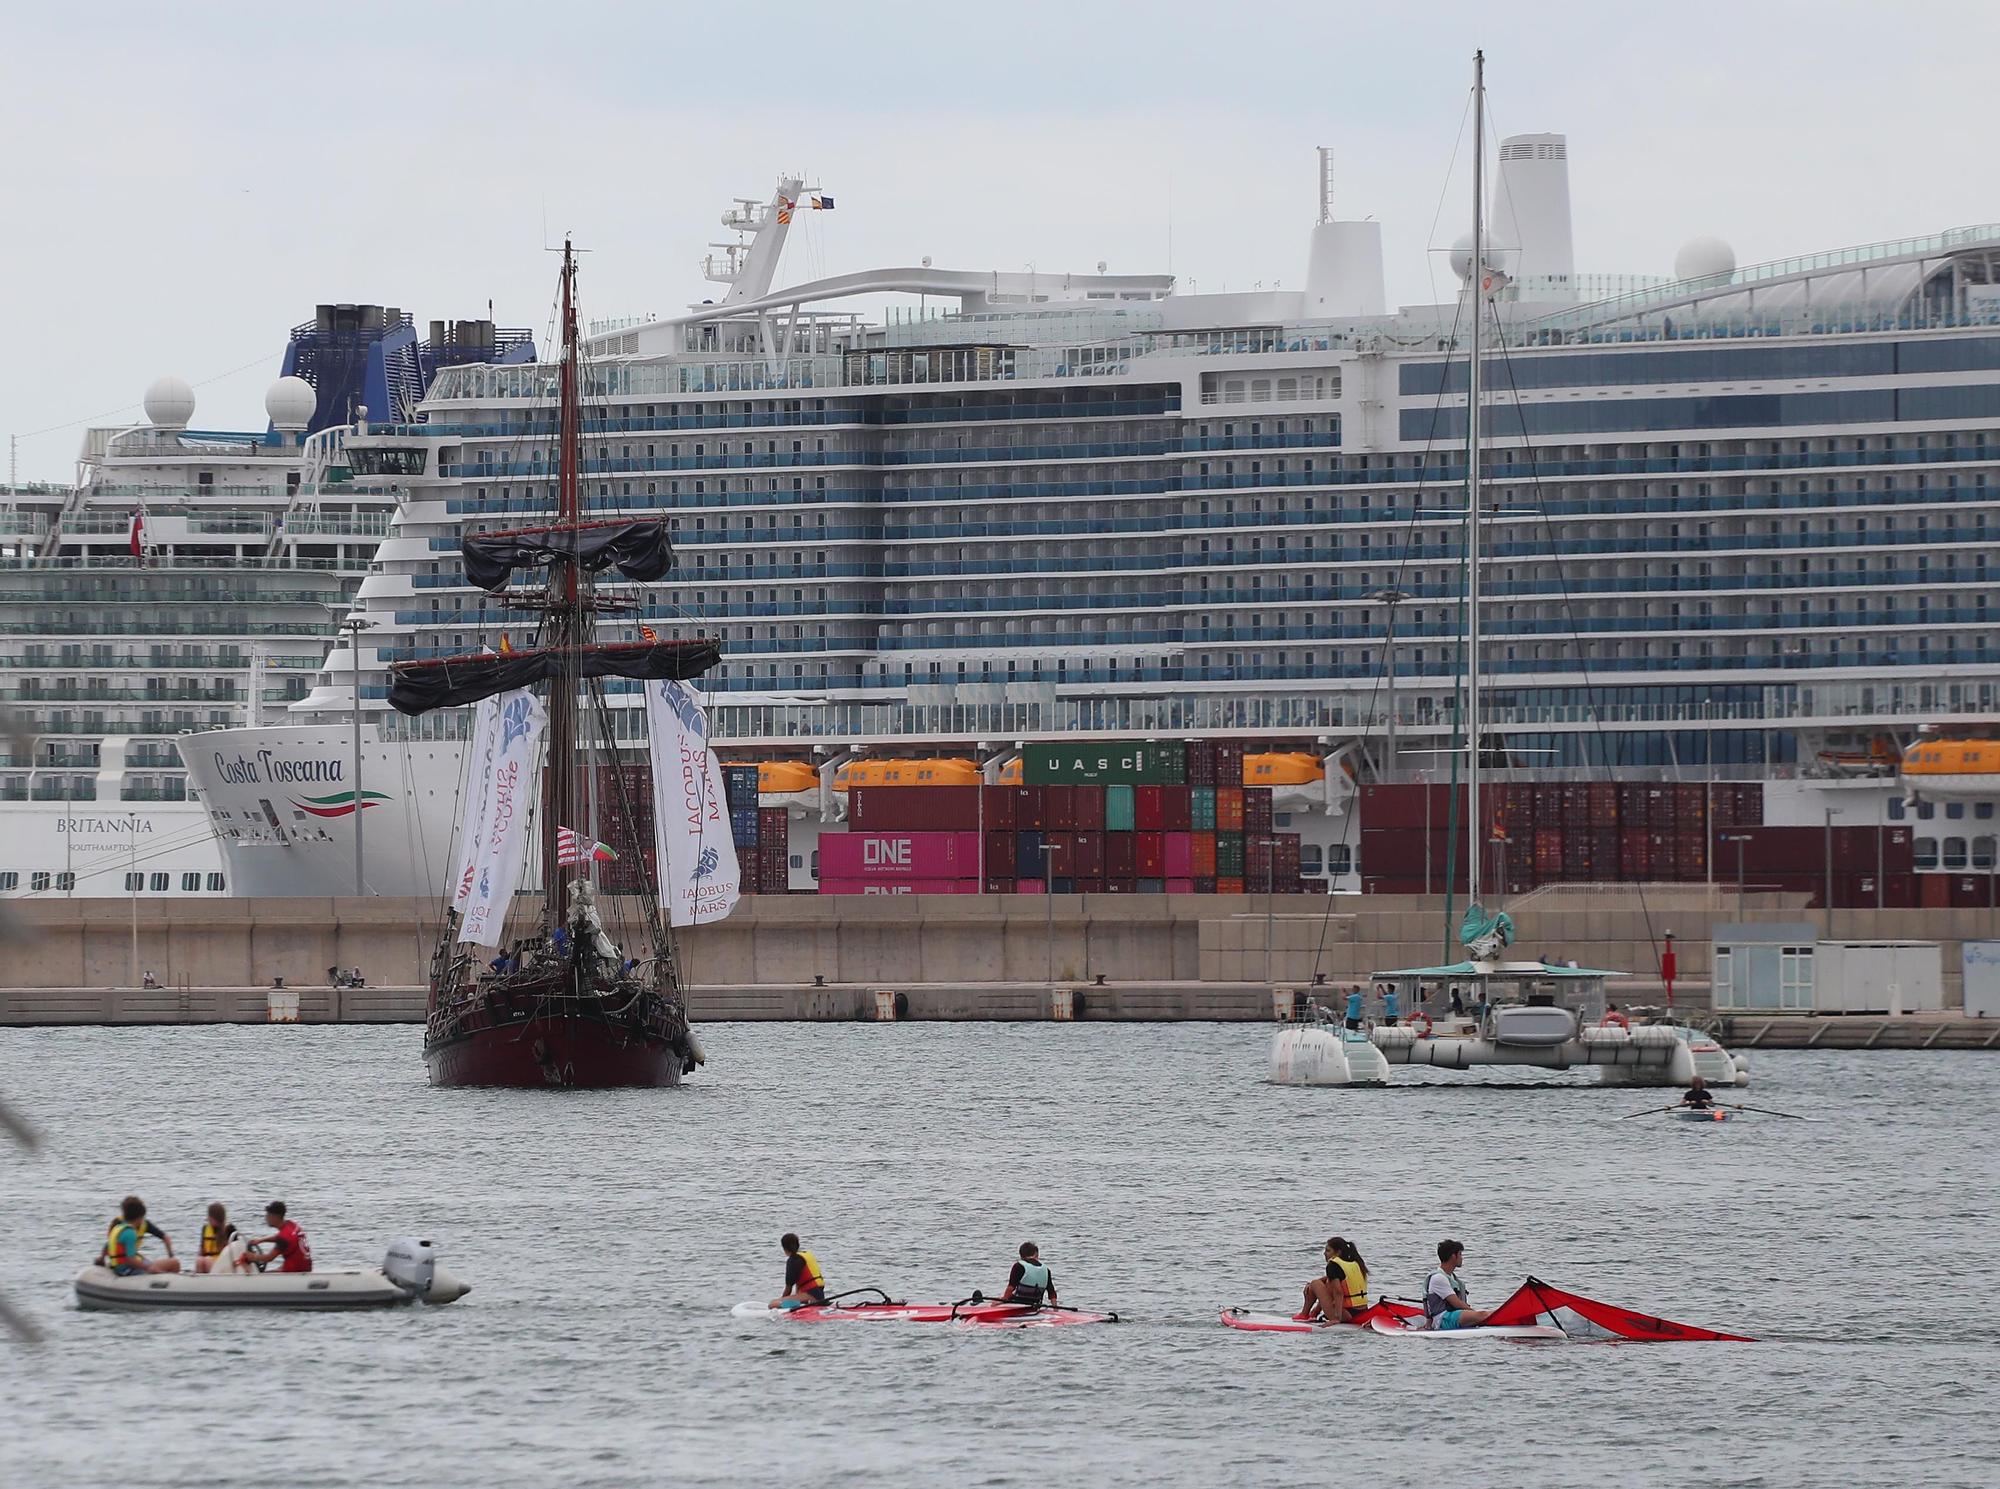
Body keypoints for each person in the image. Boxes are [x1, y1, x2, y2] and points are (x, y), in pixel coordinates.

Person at [100, 1196, 180, 1275]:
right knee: (175, 1263)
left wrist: (102, 1258)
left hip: (117, 1266)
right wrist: (148, 1268)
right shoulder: (130, 1233)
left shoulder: (117, 1227)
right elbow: (130, 1259)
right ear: (140, 1217)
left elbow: (108, 1244)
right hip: (127, 1268)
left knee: (156, 1263)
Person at [1424, 1239, 1494, 1330]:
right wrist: (1476, 1315)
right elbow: (1457, 1304)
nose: (1462, 1258)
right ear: (1453, 1256)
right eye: (1460, 1254)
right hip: (1442, 1320)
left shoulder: (1451, 1277)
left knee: (1487, 1314)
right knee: (1483, 1315)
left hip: (1453, 1315)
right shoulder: (1438, 1278)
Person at [241, 1201, 313, 1273]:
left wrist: (252, 1257)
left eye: (268, 1215)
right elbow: (281, 1238)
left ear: (275, 1217)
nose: (266, 1218)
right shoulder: (291, 1224)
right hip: (305, 1266)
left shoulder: (283, 1238)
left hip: (295, 1271)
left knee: (262, 1276)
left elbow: (269, 1258)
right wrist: (261, 1240)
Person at [769, 1233, 826, 1310]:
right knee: (793, 1297)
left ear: (784, 1248)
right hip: (819, 1295)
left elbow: (788, 1289)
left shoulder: (793, 1260)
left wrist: (782, 1304)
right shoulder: (805, 1255)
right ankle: (802, 1303)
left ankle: (800, 1305)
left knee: (772, 1304)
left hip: (811, 1296)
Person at [1002, 1241, 1057, 1306]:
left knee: (994, 1303)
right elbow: (1052, 1293)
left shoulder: (1019, 1266)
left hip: (1018, 1303)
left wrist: (1002, 1300)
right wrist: (1055, 1310)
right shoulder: (1046, 1270)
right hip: (1036, 1304)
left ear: (1021, 1256)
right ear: (1036, 1254)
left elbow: (1011, 1288)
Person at [195, 1202, 239, 1274]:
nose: (208, 1219)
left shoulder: (229, 1229)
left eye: (210, 1217)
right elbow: (201, 1250)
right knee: (200, 1260)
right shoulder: (205, 1229)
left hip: (225, 1265)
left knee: (207, 1260)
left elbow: (235, 1252)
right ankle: (198, 1281)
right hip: (208, 1262)